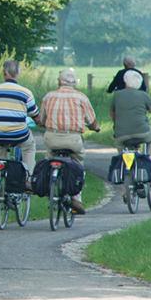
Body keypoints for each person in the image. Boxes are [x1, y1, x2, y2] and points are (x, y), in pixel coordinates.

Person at [40, 68, 101, 215]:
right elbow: (92, 121)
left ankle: (50, 184)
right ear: (75, 83)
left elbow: (41, 120)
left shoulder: (49, 97)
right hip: (72, 139)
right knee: (78, 163)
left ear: (59, 81)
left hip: (52, 138)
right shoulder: (81, 98)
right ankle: (76, 198)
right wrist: (96, 128)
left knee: (49, 158)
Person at [0, 59, 40, 219]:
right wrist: (42, 122)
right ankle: (28, 179)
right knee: (29, 146)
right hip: (18, 134)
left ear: (4, 73)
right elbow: (35, 116)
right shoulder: (25, 92)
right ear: (18, 73)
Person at [110, 70, 151, 158]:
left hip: (121, 134)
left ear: (125, 80)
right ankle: (150, 160)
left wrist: (116, 125)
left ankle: (122, 164)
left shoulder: (117, 95)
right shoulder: (143, 95)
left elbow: (112, 114)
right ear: (140, 83)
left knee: (120, 147)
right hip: (142, 132)